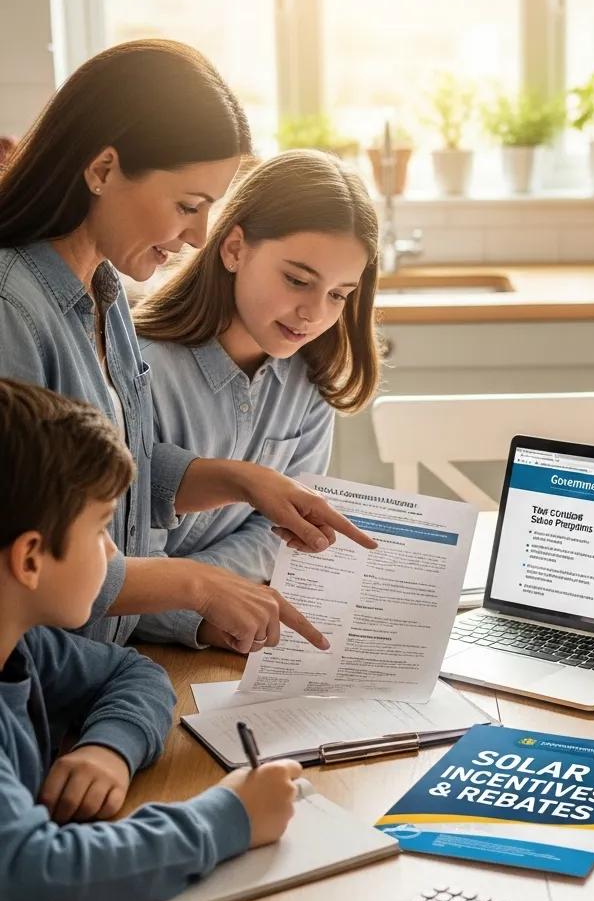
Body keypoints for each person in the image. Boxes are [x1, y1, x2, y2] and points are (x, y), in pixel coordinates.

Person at [0, 39, 373, 655]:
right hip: (41, 678)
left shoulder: (104, 290)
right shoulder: (14, 309)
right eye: (188, 206)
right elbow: (23, 547)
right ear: (102, 169)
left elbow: (110, 485)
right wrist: (196, 586)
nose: (200, 235)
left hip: (99, 664)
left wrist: (237, 480)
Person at [0, 377, 303, 901]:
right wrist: (229, 818)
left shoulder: (23, 643)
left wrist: (109, 745)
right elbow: (31, 884)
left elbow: (133, 671)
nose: (115, 554)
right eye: (100, 531)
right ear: (32, 558)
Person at [131, 150, 380, 650]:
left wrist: (218, 596)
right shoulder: (139, 372)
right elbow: (116, 566)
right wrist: (204, 605)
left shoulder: (310, 381)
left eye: (338, 294)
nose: (312, 313)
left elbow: (282, 535)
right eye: (297, 280)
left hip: (225, 628)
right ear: (235, 249)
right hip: (130, 648)